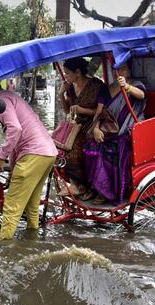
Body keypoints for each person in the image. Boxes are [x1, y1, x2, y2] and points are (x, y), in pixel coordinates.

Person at [0, 75, 58, 240]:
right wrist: (11, 166)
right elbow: (16, 139)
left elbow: (15, 130)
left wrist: (0, 158)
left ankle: (4, 253)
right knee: (32, 206)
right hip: (47, 153)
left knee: (11, 209)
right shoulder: (8, 96)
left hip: (34, 153)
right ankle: (32, 243)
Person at [84, 62, 146, 204]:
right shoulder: (107, 89)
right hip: (107, 129)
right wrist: (96, 129)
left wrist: (127, 87)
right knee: (91, 144)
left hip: (127, 131)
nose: (119, 72)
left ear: (129, 70)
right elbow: (100, 113)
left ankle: (105, 192)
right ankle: (95, 187)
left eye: (123, 68)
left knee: (113, 149)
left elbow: (141, 95)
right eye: (116, 69)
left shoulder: (136, 85)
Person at [58, 57, 108, 200]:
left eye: (67, 73)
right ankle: (76, 183)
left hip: (94, 123)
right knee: (59, 146)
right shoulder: (71, 88)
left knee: (75, 147)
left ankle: (82, 185)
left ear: (77, 72)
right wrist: (61, 94)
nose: (66, 76)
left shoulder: (97, 86)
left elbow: (102, 111)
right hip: (76, 124)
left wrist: (82, 110)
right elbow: (68, 111)